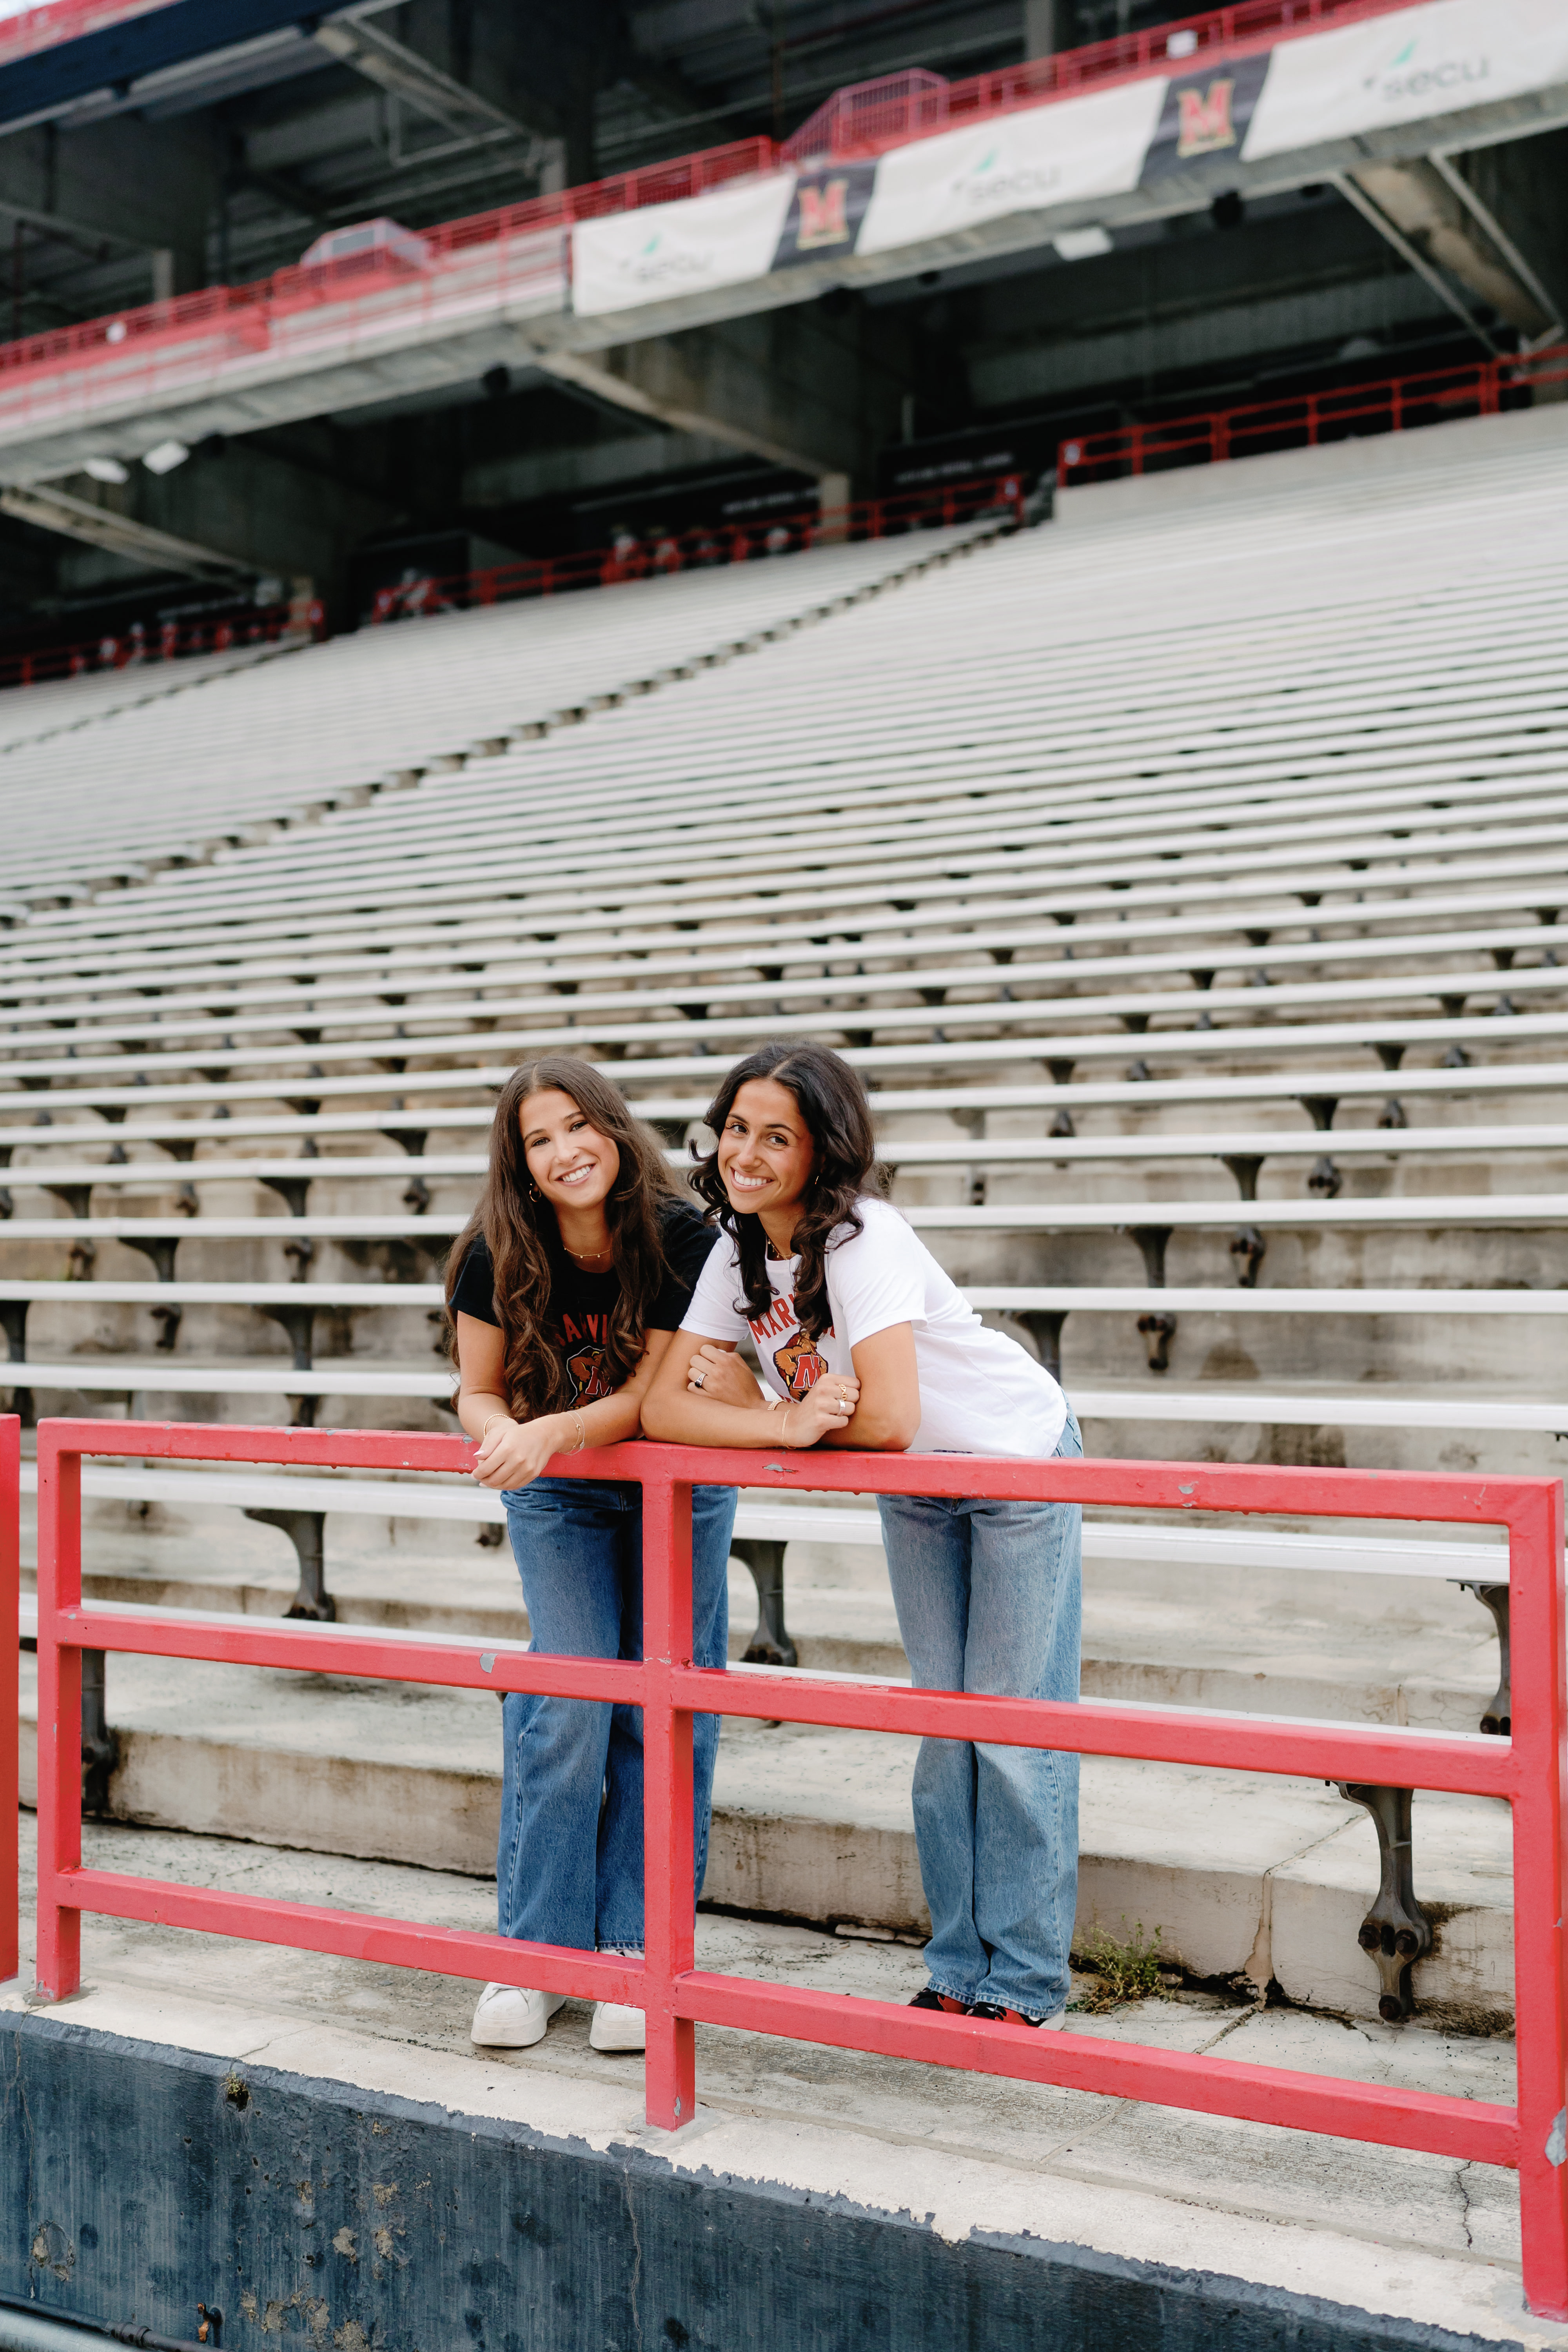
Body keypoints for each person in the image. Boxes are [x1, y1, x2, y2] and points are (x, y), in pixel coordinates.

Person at [642, 1041, 1082, 2031]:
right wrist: (781, 1419)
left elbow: (884, 1416)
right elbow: (670, 1405)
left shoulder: (862, 1237)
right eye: (735, 1129)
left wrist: (773, 1402)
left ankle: (1021, 1982)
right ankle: (957, 1966)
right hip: (916, 1486)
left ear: (821, 1150)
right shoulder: (736, 1251)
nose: (745, 1154)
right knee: (945, 1724)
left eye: (776, 1137)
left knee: (1010, 1725)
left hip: (1011, 1457)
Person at [448, 1055, 737, 2056]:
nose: (565, 1151)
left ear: (613, 1130)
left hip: (669, 1487)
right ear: (520, 1163)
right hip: (558, 1492)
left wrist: (547, 1430)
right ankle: (535, 1959)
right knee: (568, 1703)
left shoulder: (680, 1237)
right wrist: (500, 1430)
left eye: (579, 1126)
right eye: (538, 1139)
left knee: (658, 1710)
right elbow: (476, 1389)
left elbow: (650, 1404)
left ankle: (631, 1954)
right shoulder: (495, 1251)